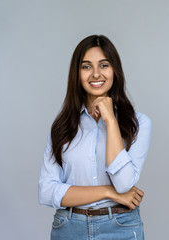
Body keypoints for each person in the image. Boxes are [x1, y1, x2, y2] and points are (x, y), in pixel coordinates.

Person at [38, 35, 152, 240]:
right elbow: (46, 192)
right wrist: (109, 192)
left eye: (104, 65)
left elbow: (124, 183)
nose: (96, 74)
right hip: (69, 228)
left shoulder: (139, 123)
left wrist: (110, 120)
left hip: (121, 228)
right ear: (77, 73)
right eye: (86, 67)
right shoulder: (62, 127)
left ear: (114, 70)